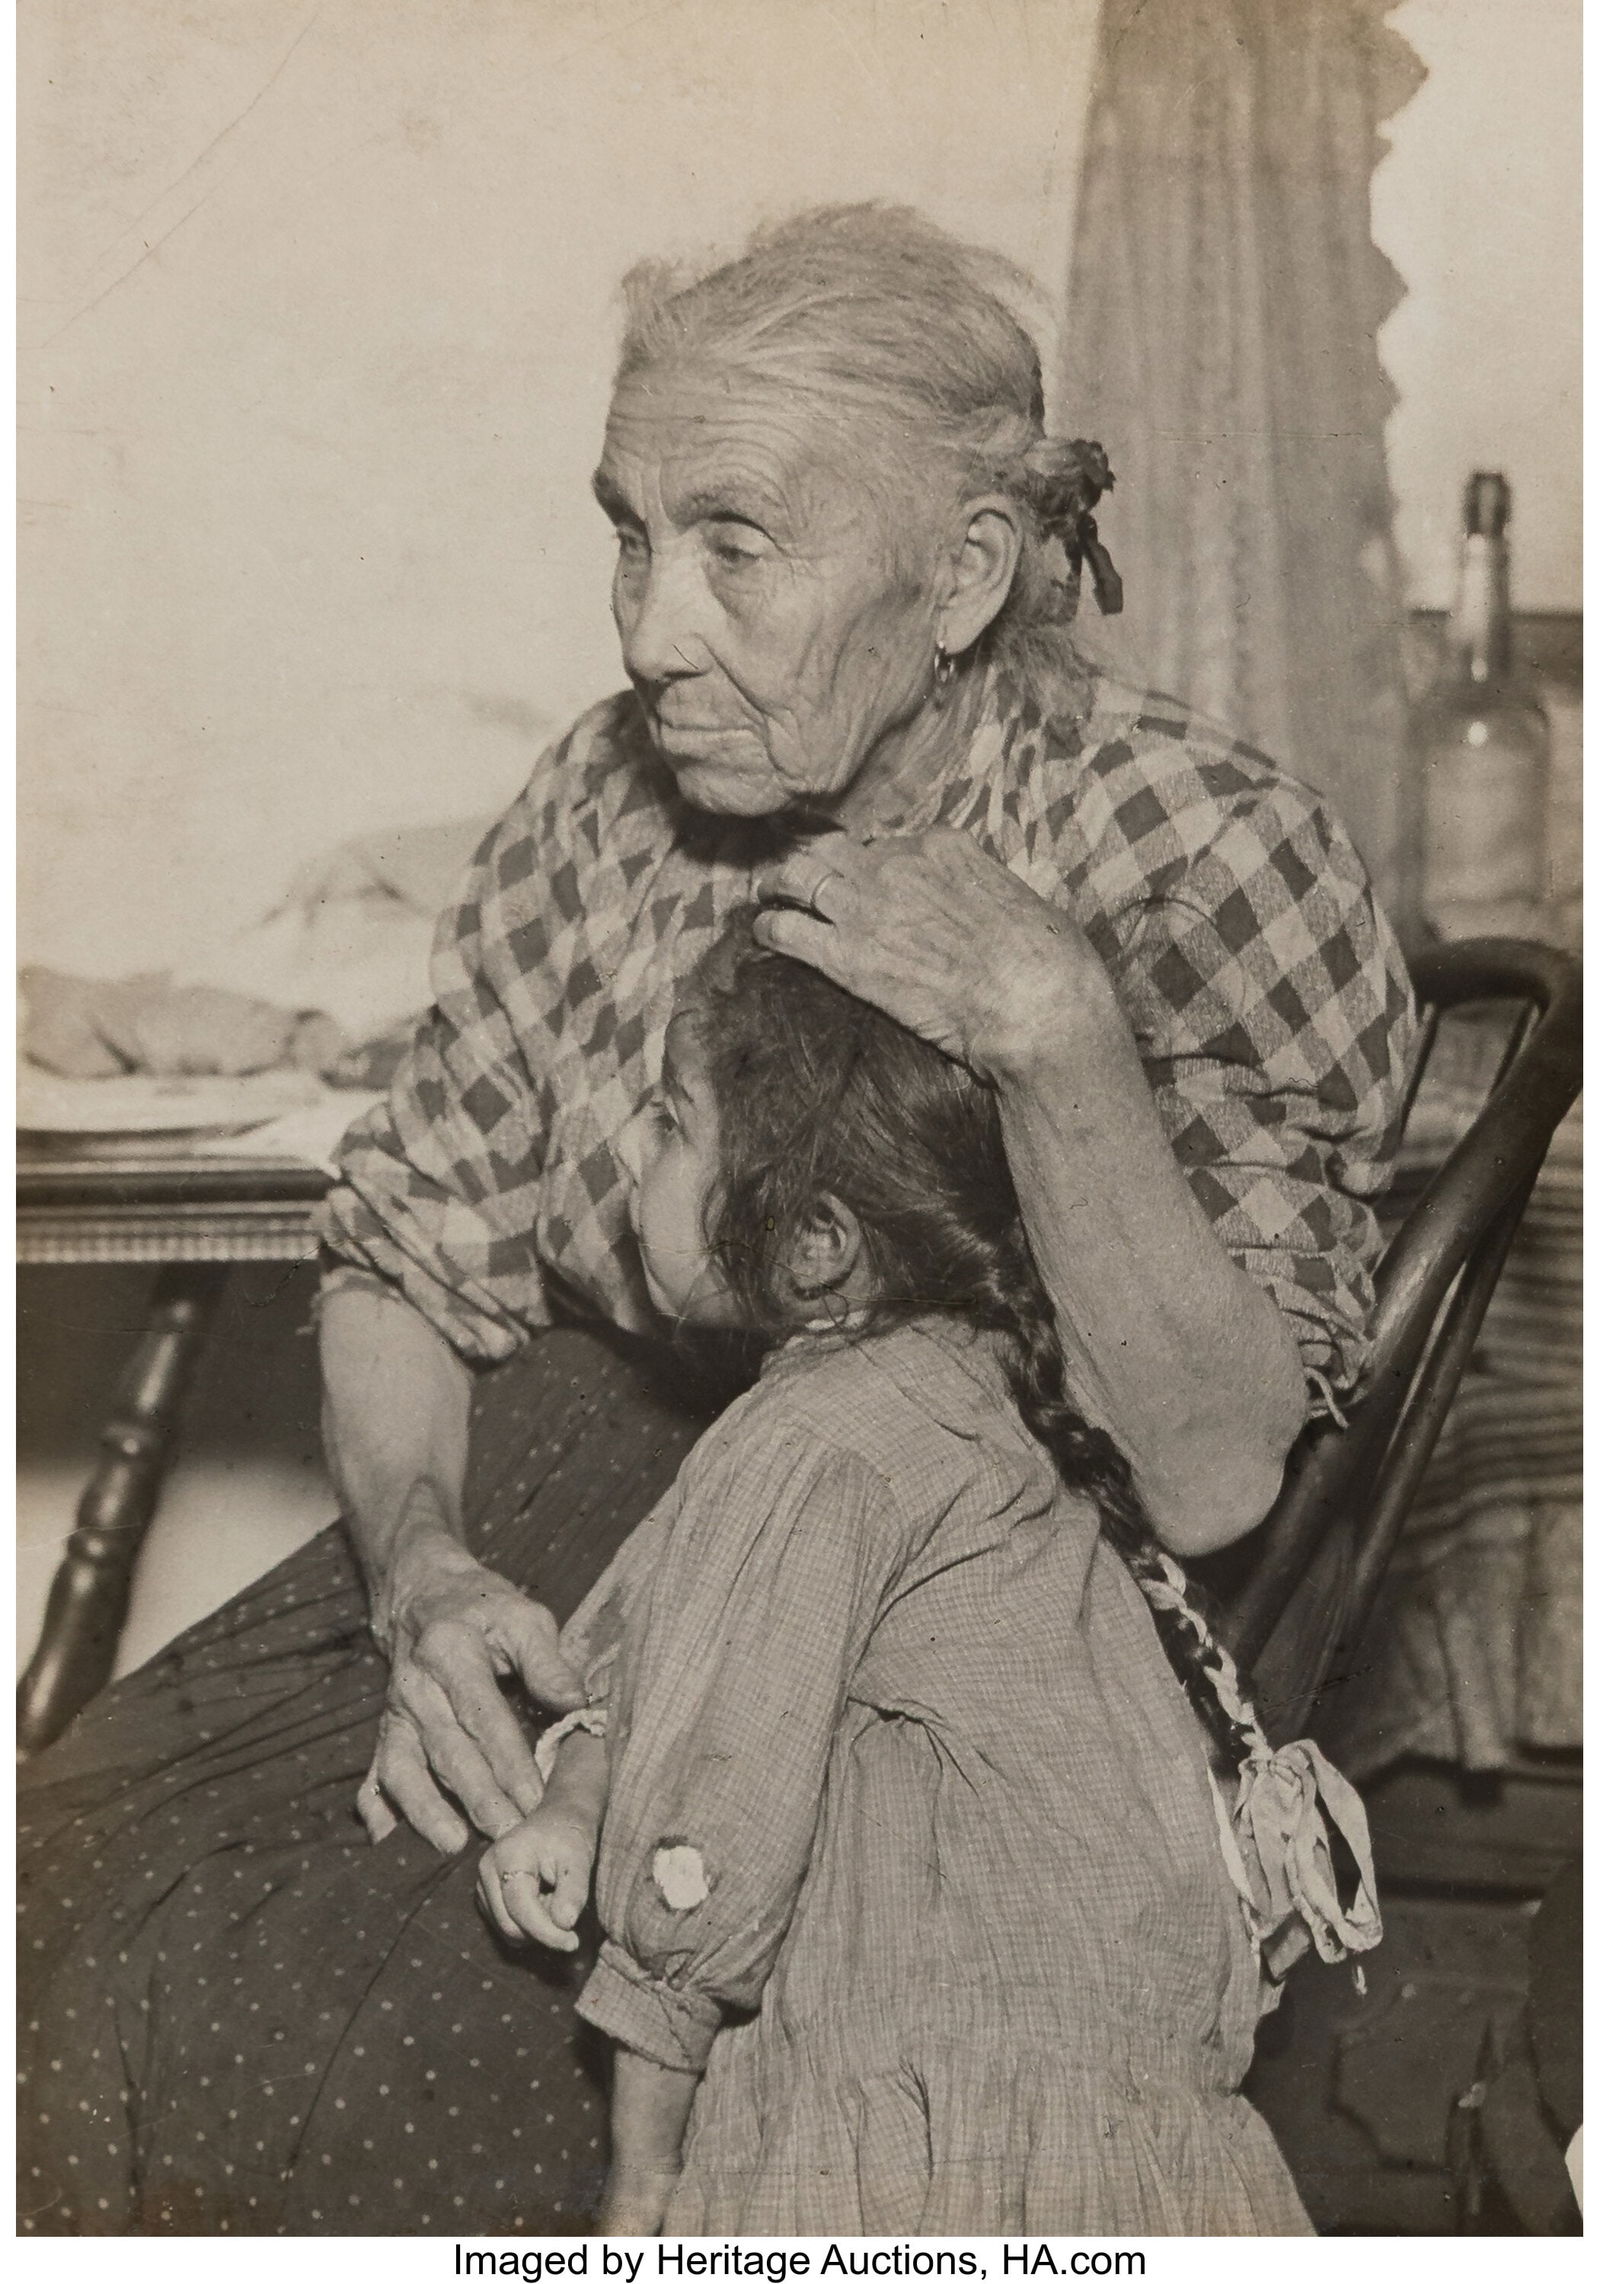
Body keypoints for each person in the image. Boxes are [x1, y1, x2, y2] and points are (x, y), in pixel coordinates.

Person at [18, 204, 1414, 2237]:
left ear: (959, 577)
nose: (647, 628)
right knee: (66, 1884)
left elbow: (1206, 1477)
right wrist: (422, 1576)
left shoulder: (1193, 850)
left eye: (731, 544)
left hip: (925, 1654)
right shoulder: (607, 800)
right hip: (558, 1526)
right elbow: (408, 1236)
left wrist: (1053, 1037)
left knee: (315, 2044)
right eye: (626, 531)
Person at [480, 914, 1380, 2236]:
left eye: (673, 1125)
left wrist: (643, 2183)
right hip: (1124, 2126)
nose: (637, 1161)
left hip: (929, 2146)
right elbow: (676, 1666)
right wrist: (576, 1790)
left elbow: (705, 1847)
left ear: (819, 1245)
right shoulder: (980, 1380)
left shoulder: (814, 1445)